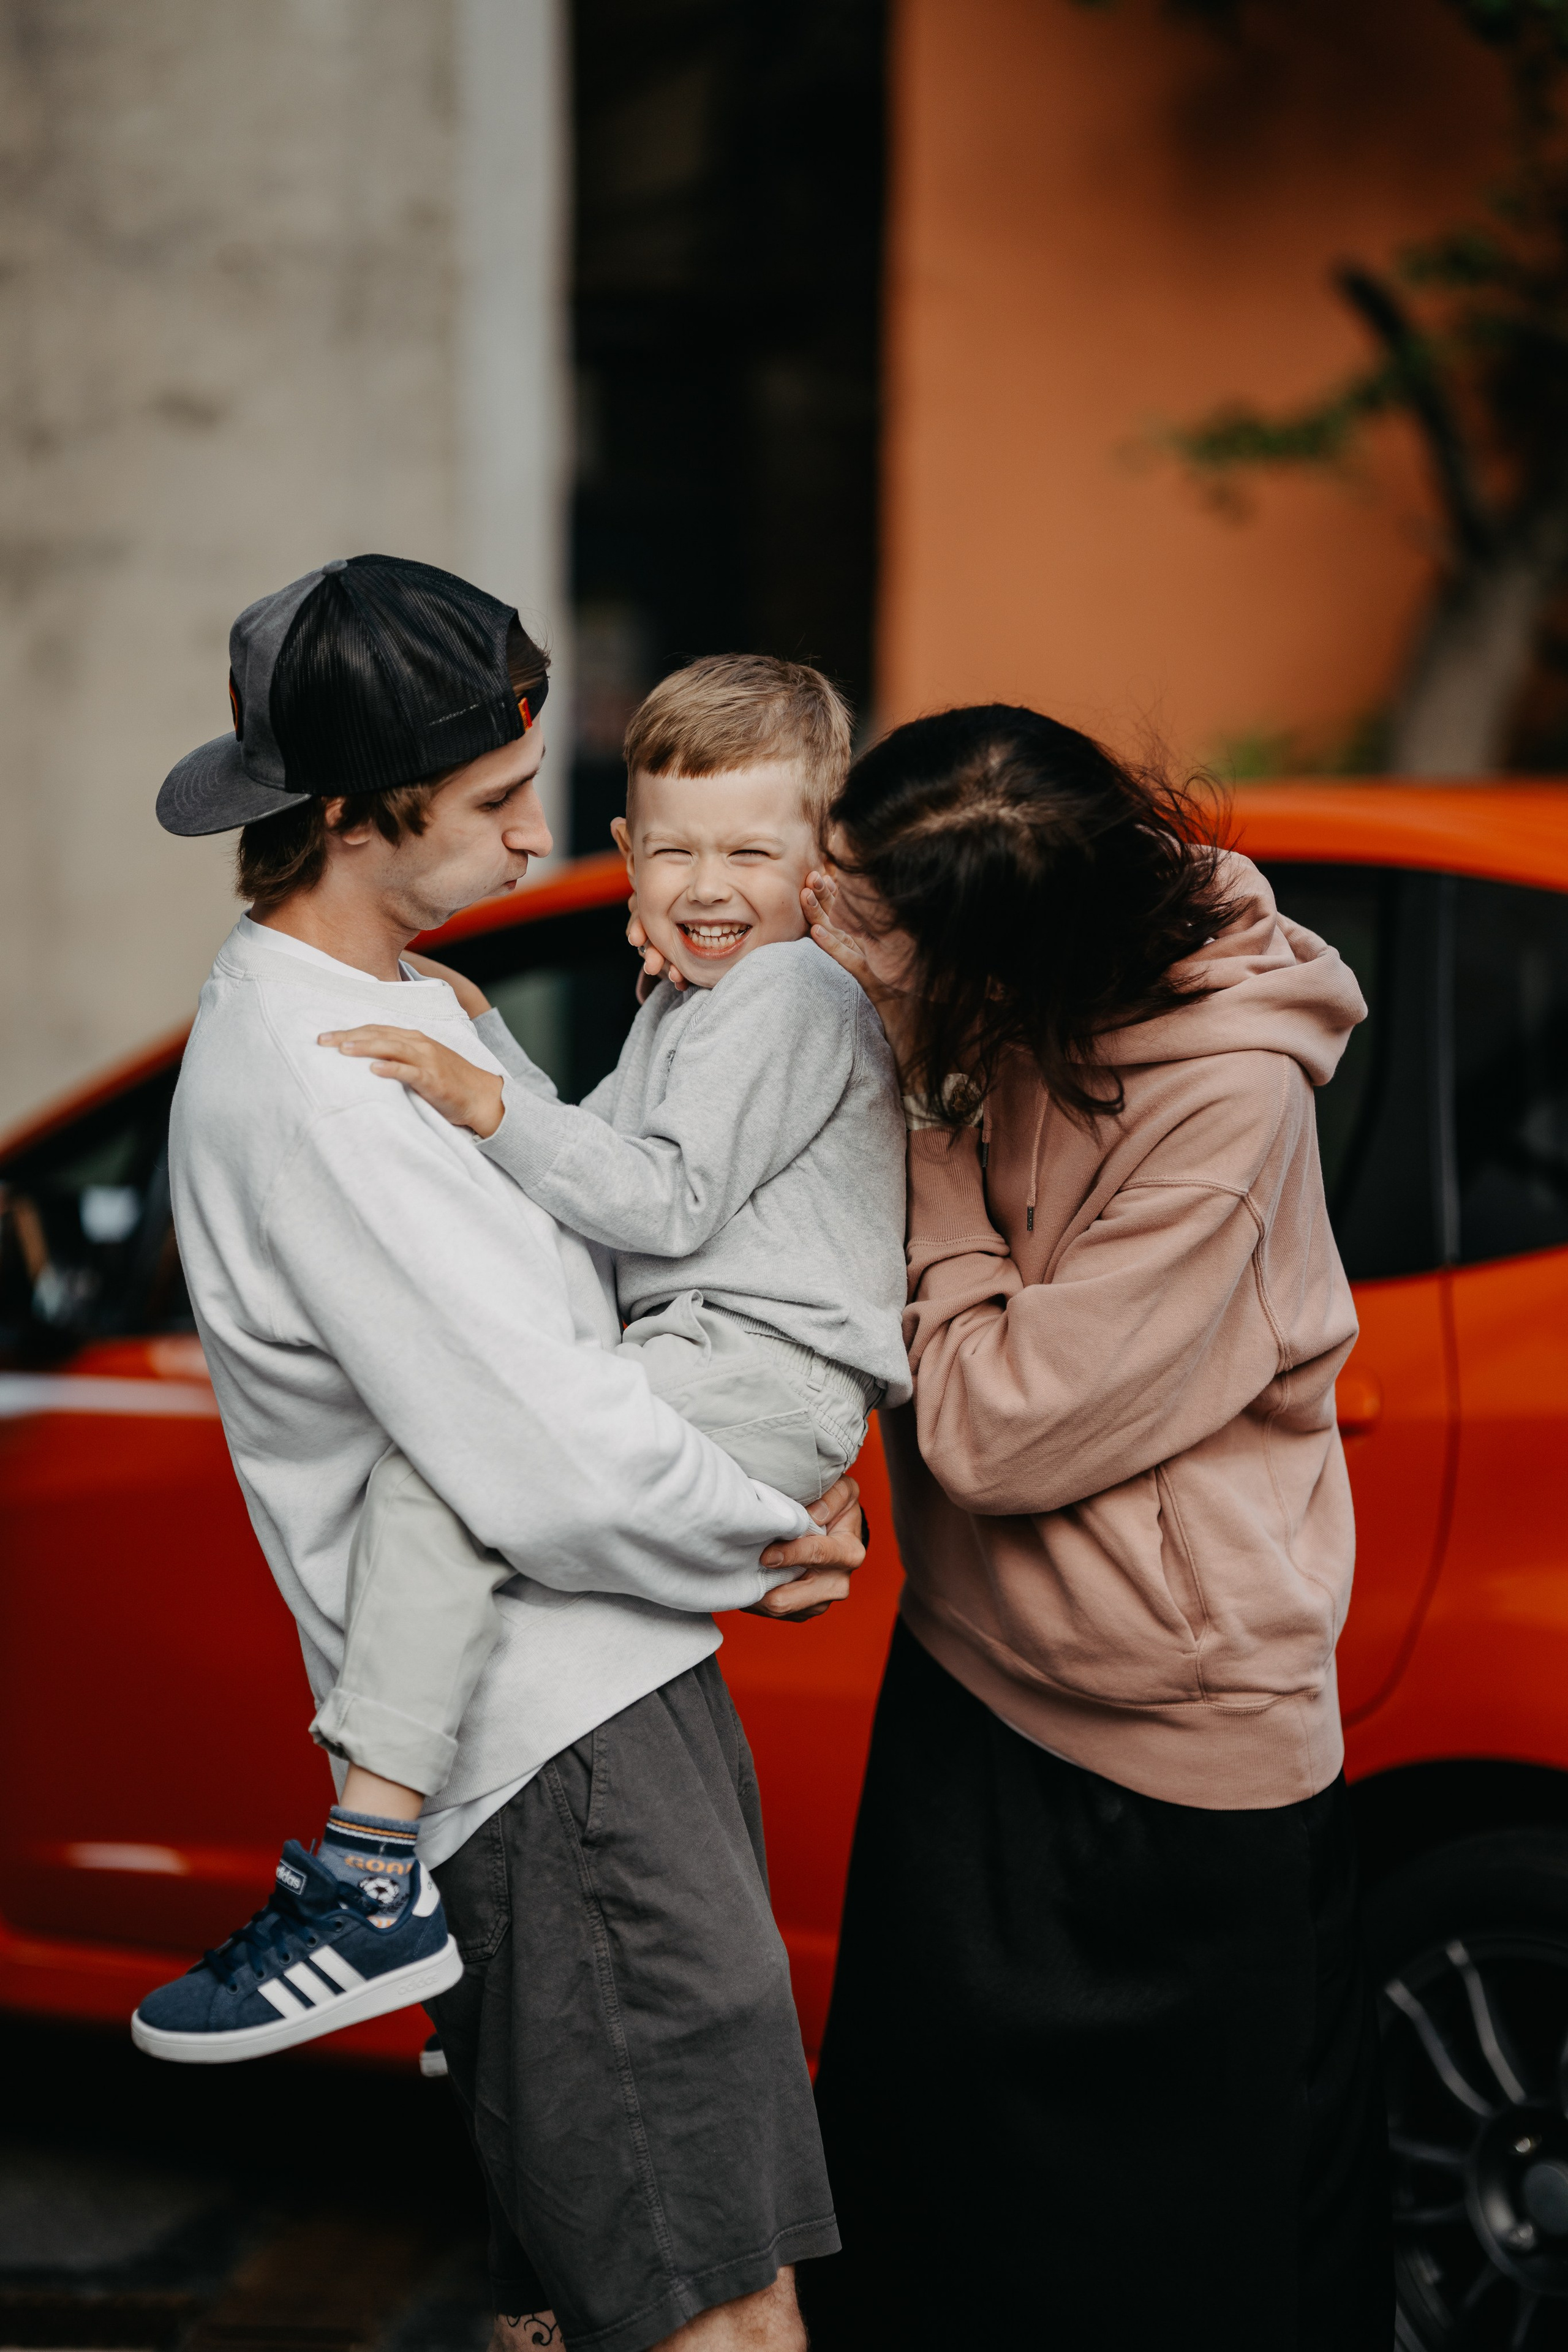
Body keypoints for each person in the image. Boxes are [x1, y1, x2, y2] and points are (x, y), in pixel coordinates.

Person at [135, 555, 862, 2352]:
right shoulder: (325, 1084)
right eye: (493, 801)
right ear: (351, 816)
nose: (545, 840)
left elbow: (601, 1279)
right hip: (557, 1751)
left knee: (605, 2304)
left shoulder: (413, 1014)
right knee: (717, 2309)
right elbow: (548, 1449)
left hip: (597, 1705)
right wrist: (762, 1536)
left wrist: (657, 1036)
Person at [797, 706, 1393, 2351]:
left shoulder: (1229, 1103)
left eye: (862, 911)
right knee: (919, 2231)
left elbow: (994, 1429)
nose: (826, 923)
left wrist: (928, 1152)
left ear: (1000, 965)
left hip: (1166, 1763)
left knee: (1174, 2277)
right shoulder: (996, 958)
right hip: (964, 1681)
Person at [270, 653, 908, 1841]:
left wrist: (482, 1096)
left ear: (825, 863)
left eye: (750, 854)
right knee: (462, 1485)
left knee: (446, 1475)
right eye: (674, 853)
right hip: (721, 1366)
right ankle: (400, 1850)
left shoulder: (789, 993)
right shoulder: (701, 999)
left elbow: (658, 1203)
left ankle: (370, 1844)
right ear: (626, 852)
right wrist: (490, 1039)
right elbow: (599, 1164)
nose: (706, 888)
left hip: (762, 1371)